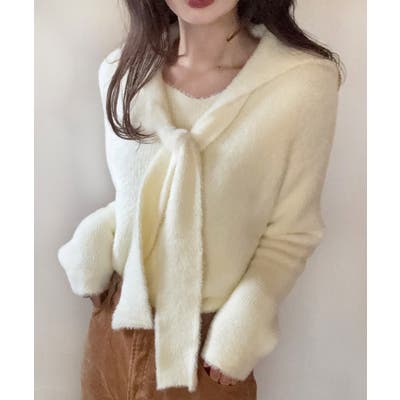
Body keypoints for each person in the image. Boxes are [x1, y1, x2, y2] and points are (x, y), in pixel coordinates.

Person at [57, 0, 344, 399]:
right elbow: (137, 196)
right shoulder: (121, 71)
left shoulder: (301, 83)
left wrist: (241, 331)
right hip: (114, 326)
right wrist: (93, 241)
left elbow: (292, 234)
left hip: (205, 351)